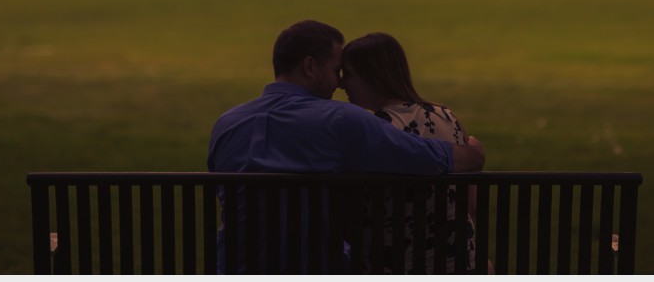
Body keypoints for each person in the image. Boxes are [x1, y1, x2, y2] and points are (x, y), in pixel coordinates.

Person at [207, 20, 485, 273]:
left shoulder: (227, 124)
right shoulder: (338, 119)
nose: (339, 83)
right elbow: (425, 157)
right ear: (310, 67)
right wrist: (472, 153)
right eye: (336, 71)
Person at [340, 32, 480, 274]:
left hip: (395, 266)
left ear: (371, 76)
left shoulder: (377, 130)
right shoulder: (446, 116)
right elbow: (469, 200)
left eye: (348, 74)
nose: (341, 83)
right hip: (457, 262)